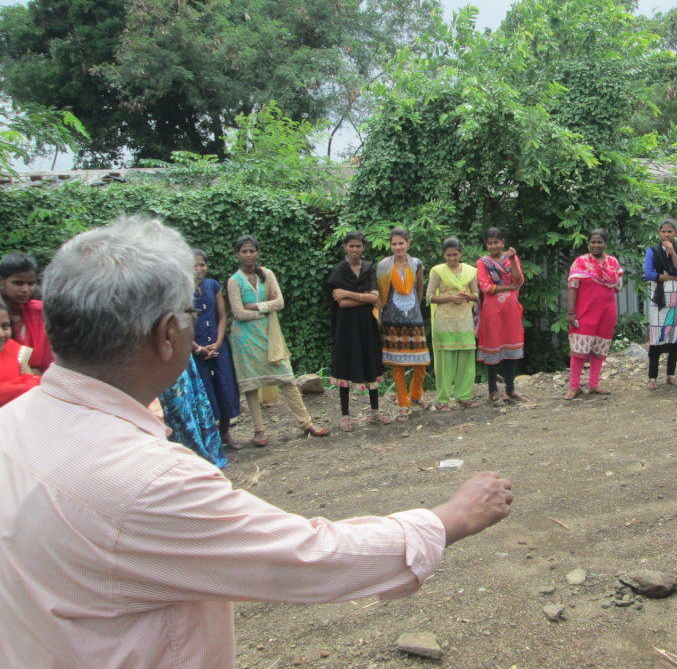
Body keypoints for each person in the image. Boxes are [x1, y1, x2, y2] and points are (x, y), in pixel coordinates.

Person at [0, 216, 513, 669]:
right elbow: (307, 559)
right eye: (189, 311)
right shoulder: (147, 480)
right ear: (167, 333)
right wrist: (448, 519)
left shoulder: (14, 423)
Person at [227, 235, 329, 446]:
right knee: (252, 384)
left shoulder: (267, 274)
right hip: (245, 339)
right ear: (237, 254)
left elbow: (280, 302)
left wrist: (256, 307)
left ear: (258, 253)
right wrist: (266, 309)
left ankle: (306, 423)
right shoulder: (234, 281)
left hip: (270, 336)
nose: (248, 255)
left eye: (252, 251)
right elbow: (238, 313)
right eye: (244, 251)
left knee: (287, 378)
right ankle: (259, 431)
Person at [327, 231, 385, 429]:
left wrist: (349, 293)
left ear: (363, 247)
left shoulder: (368, 268)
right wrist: (364, 297)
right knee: (345, 363)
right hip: (346, 325)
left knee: (370, 361)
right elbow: (342, 303)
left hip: (367, 324)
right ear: (345, 247)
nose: (354, 249)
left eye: (358, 246)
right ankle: (345, 415)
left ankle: (375, 411)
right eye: (351, 246)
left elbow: (375, 298)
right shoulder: (339, 271)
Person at [377, 227, 431, 420]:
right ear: (390, 245)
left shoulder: (416, 263)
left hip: (414, 319)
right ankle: (403, 403)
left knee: (421, 362)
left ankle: (416, 395)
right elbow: (381, 294)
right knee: (397, 364)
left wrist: (414, 309)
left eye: (401, 243)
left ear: (408, 243)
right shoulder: (384, 266)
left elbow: (419, 290)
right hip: (392, 320)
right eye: (394, 244)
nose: (398, 247)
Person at [191, 249, 242, 449]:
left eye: (202, 265)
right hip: (196, 349)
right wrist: (198, 348)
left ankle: (225, 432)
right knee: (204, 389)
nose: (199, 269)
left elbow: (222, 316)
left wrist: (219, 342)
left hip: (218, 346)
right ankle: (209, 437)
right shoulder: (181, 290)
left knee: (225, 385)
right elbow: (180, 324)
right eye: (194, 265)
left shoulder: (213, 286)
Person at [565, 229, 624, 399]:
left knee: (600, 347)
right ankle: (574, 386)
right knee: (579, 348)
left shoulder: (613, 262)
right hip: (585, 311)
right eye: (593, 242)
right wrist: (571, 312)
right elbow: (573, 287)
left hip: (607, 312)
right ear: (588, 244)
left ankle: (593, 384)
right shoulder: (580, 262)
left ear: (605, 244)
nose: (596, 245)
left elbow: (617, 287)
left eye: (599, 242)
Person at [427, 237, 480, 411]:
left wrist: (466, 296)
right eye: (449, 255)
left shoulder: (470, 271)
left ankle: (464, 396)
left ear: (461, 253)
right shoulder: (438, 271)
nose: (452, 258)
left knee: (466, 358)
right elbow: (429, 297)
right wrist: (450, 298)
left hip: (464, 319)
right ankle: (443, 399)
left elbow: (476, 295)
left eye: (455, 255)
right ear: (444, 255)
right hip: (445, 320)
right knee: (445, 360)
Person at [643, 219, 677, 389]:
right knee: (656, 335)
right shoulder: (652, 250)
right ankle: (652, 377)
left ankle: (670, 375)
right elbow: (649, 274)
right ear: (659, 233)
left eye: (670, 232)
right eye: (664, 231)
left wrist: (672, 252)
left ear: (675, 233)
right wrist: (672, 277)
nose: (666, 235)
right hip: (659, 298)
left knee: (676, 334)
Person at [476, 227, 526, 402]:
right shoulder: (482, 262)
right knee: (493, 346)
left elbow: (519, 280)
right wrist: (509, 287)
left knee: (511, 347)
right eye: (489, 243)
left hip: (511, 309)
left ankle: (510, 389)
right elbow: (486, 287)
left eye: (496, 242)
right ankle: (493, 390)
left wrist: (512, 260)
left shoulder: (511, 258)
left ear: (503, 242)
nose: (493, 246)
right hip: (492, 310)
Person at [157, 356, 228, 468]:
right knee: (177, 404)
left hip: (178, 359)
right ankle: (184, 460)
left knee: (188, 400)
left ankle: (199, 455)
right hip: (158, 363)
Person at [0, 252, 53, 373]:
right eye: (18, 283)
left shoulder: (40, 312)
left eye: (31, 284)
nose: (25, 289)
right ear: (2, 281)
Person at [0, 304, 41, 405]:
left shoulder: (20, 350)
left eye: (5, 326)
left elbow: (34, 385)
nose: (1, 334)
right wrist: (21, 386)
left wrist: (6, 389)